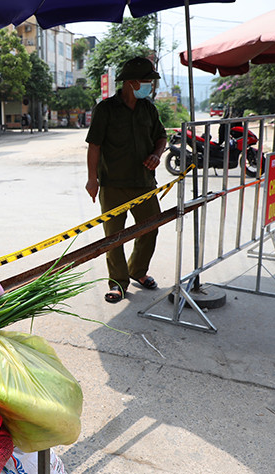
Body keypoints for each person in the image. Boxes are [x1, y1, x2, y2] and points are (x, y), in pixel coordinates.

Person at [85, 56, 167, 304]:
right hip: (113, 184)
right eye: (146, 81)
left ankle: (137, 270)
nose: (150, 86)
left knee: (151, 229)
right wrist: (92, 179)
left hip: (144, 183)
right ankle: (118, 282)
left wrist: (157, 154)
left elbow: (161, 137)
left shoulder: (148, 109)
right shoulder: (105, 109)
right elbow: (94, 146)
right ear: (132, 82)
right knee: (114, 237)